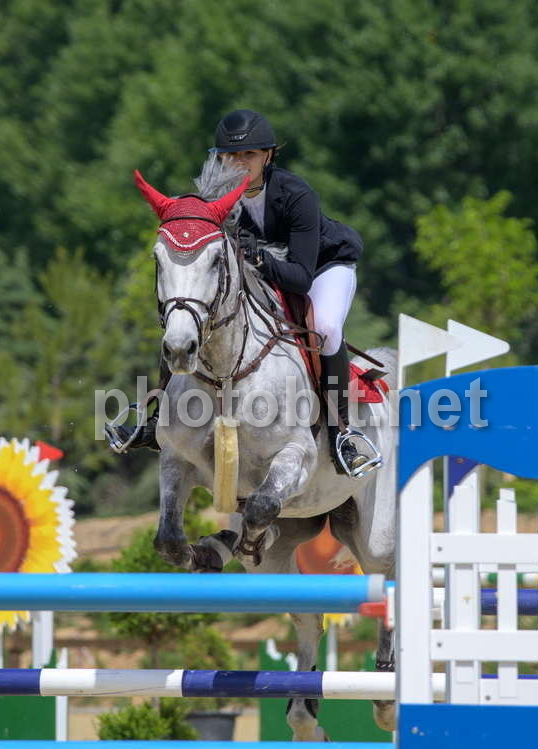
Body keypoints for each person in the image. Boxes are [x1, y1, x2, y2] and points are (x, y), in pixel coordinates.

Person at [109, 109, 382, 476]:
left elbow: (300, 278)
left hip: (321, 268)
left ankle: (342, 432)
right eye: (230, 155)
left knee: (327, 327)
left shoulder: (295, 194)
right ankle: (155, 419)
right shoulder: (215, 199)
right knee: (187, 318)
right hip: (261, 274)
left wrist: (258, 257)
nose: (239, 163)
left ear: (268, 155)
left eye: (249, 154)